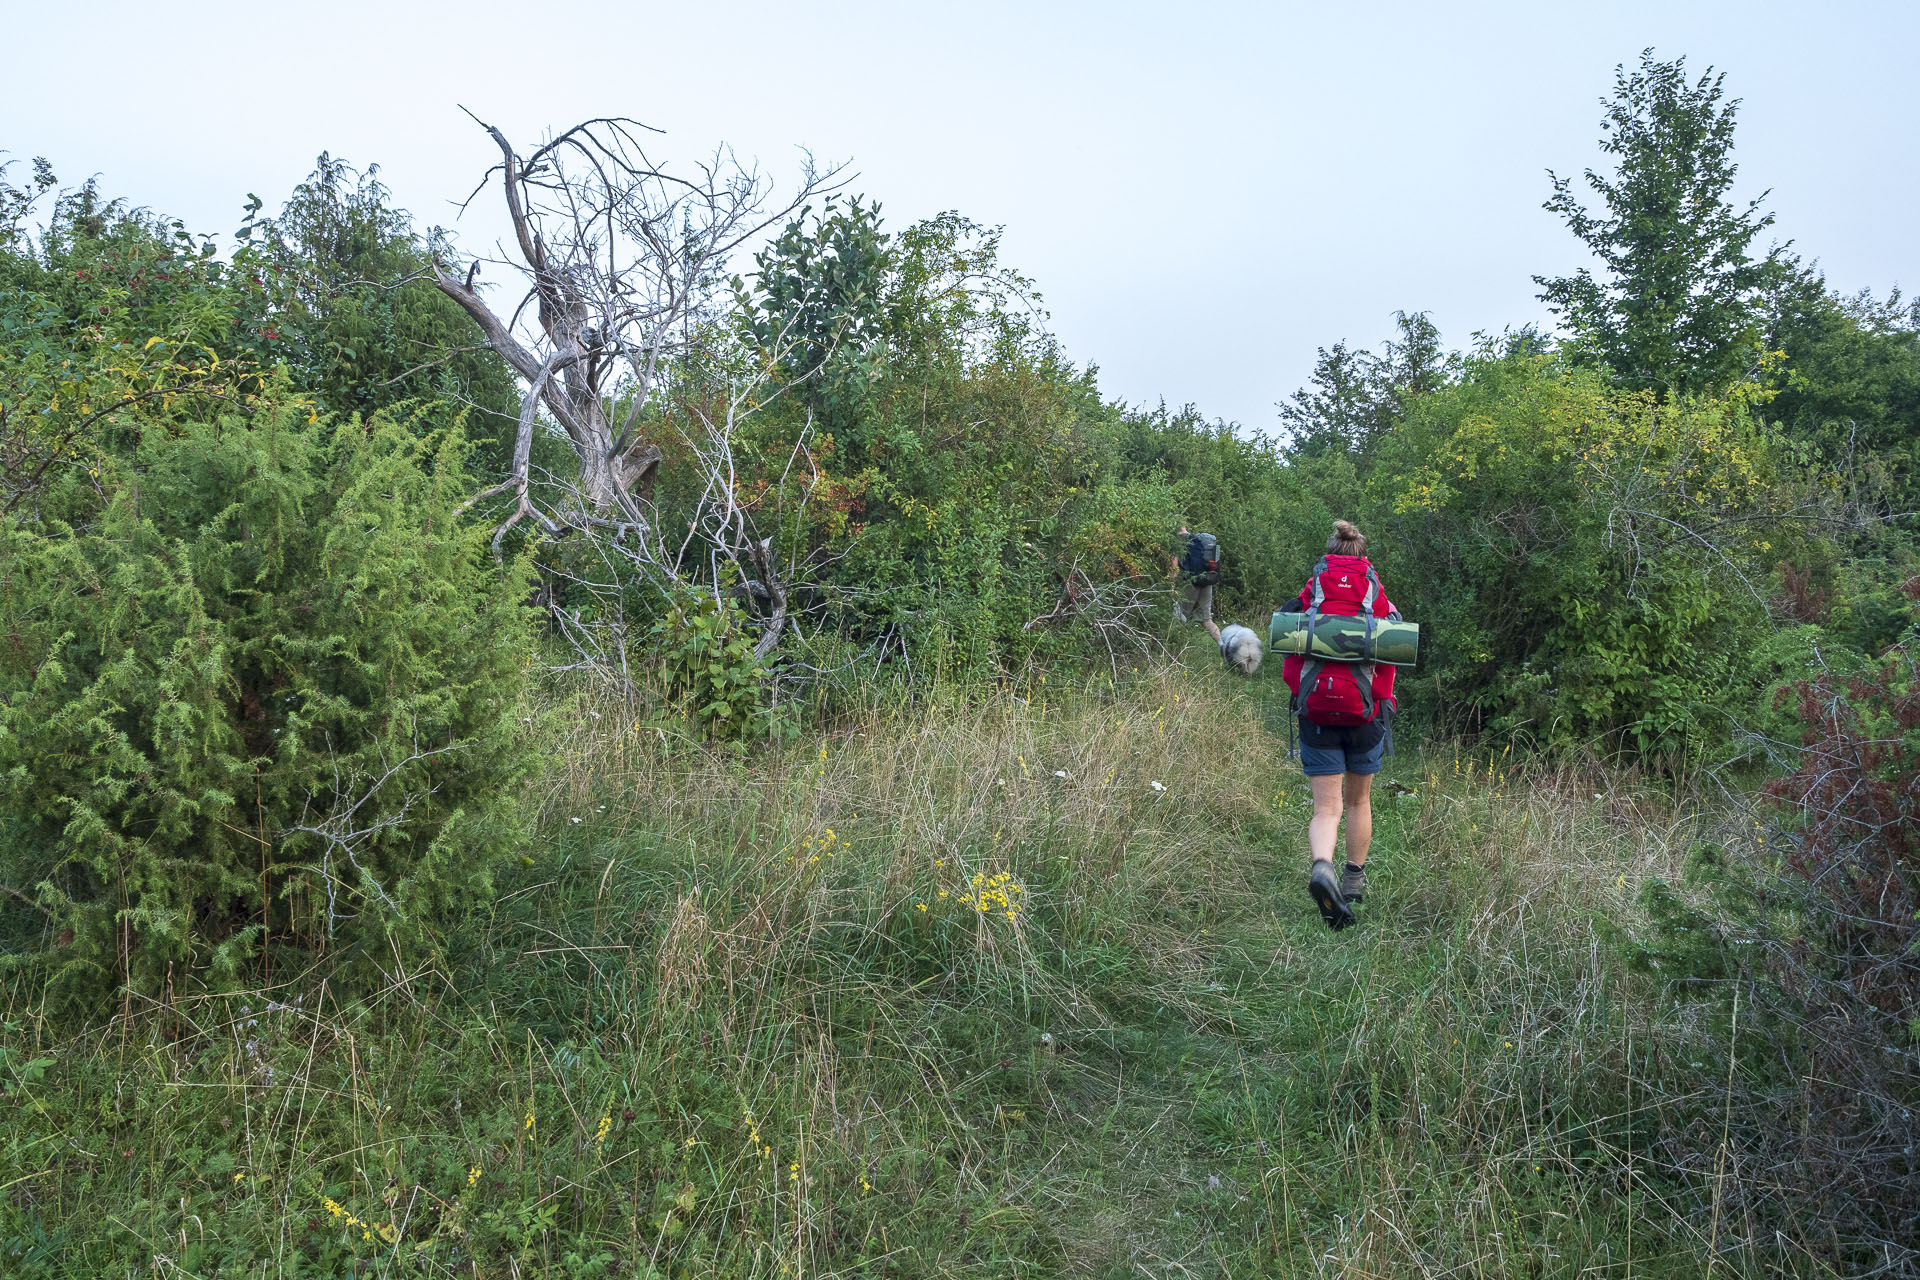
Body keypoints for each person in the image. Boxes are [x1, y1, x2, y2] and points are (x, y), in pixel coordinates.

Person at [1278, 519, 1397, 930]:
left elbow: (1288, 650)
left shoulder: (1312, 589)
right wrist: (1381, 697)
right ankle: (1352, 881)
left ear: (1329, 552)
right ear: (1361, 554)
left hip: (1316, 710)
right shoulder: (1374, 590)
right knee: (1359, 801)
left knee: (1327, 807)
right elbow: (1393, 651)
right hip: (1364, 714)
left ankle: (1322, 867)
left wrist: (1299, 688)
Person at [1173, 525, 1222, 642]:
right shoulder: (1197, 540)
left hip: (1190, 584)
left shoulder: (1178, 542)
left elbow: (1174, 568)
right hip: (1206, 581)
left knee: (1180, 616)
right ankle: (1223, 646)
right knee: (1207, 621)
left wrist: (1171, 586)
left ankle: (1182, 648)